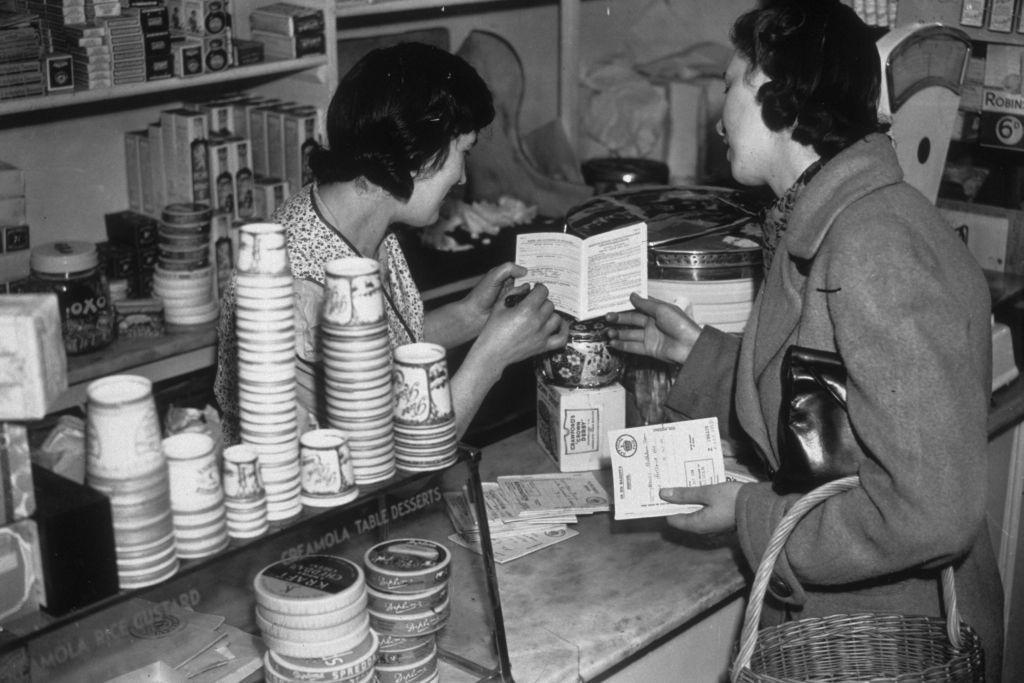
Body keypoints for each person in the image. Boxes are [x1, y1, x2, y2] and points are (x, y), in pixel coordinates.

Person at [606, 1, 1004, 678]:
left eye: (729, 84)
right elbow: (844, 394)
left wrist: (750, 515)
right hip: (862, 628)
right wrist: (700, 356)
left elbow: (931, 510)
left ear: (773, 92)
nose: (717, 114)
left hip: (887, 645)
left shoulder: (873, 247)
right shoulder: (837, 221)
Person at [214, 42, 568, 445]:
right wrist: (492, 356)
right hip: (320, 502)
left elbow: (375, 353)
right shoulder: (296, 293)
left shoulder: (358, 216)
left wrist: (470, 316)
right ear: (420, 153)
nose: (463, 179)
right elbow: (391, 462)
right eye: (462, 153)